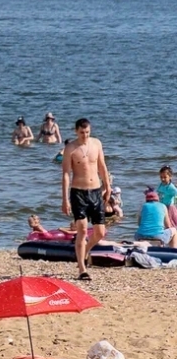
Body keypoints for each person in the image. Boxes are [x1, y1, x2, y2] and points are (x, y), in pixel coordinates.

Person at [61, 117, 110, 281]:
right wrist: (65, 198)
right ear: (76, 131)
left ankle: (85, 252)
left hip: (96, 191)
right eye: (82, 132)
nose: (85, 135)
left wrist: (108, 186)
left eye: (87, 132)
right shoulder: (71, 148)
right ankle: (82, 268)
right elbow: (66, 174)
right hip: (78, 192)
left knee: (100, 232)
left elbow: (102, 166)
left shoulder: (96, 144)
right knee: (81, 230)